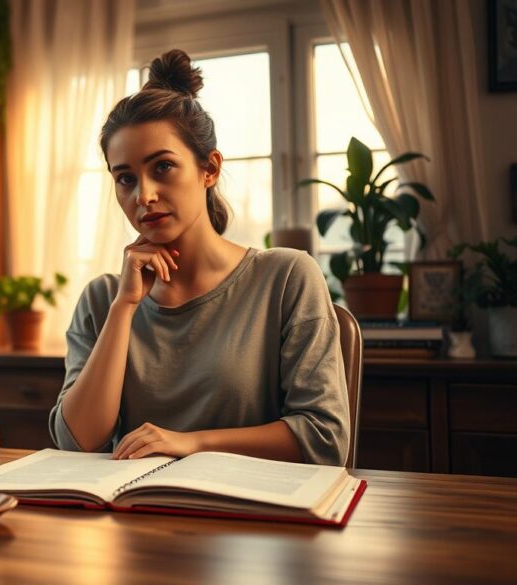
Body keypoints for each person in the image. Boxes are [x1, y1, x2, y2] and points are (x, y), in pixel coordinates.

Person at [48, 49, 350, 466]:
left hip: (251, 505)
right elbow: (76, 443)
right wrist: (124, 308)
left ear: (209, 169)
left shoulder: (286, 278)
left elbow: (324, 439)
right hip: (137, 505)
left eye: (163, 167)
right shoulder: (103, 299)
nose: (144, 195)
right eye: (126, 179)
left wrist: (192, 443)